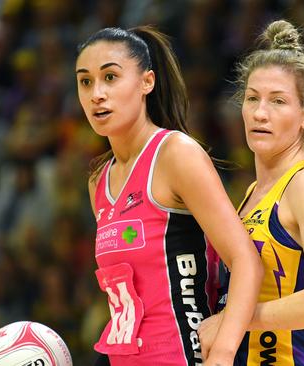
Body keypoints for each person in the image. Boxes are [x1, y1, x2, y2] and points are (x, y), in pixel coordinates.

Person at [75, 26, 263, 366]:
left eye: (110, 77)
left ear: (147, 82)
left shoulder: (175, 154)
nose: (96, 94)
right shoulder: (98, 182)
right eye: (85, 82)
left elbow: (245, 261)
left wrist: (222, 353)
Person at [199, 20, 304, 365]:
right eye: (252, 98)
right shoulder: (253, 192)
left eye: (278, 101)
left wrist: (234, 320)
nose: (259, 113)